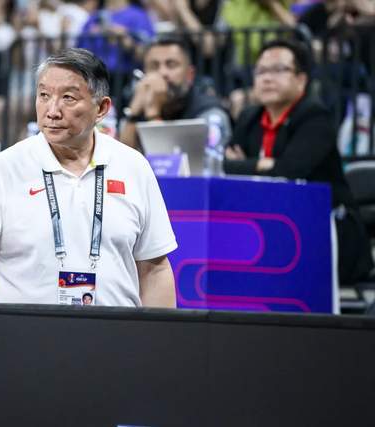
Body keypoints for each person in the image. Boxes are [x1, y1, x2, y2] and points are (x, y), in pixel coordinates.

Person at [0, 48, 177, 307]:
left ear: (101, 108)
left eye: (68, 98)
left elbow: (155, 268)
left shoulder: (133, 167)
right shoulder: (3, 169)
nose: (52, 110)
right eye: (44, 95)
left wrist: (161, 332)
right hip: (23, 331)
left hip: (115, 331)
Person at [224, 38, 374, 285]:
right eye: (261, 71)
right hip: (271, 225)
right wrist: (266, 165)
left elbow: (291, 171)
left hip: (326, 231)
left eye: (279, 70)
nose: (267, 78)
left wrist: (251, 165)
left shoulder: (315, 117)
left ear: (301, 80)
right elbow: (226, 165)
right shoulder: (250, 116)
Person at [120, 35, 231, 151]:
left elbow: (168, 162)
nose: (162, 73)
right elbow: (122, 157)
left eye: (171, 65)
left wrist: (153, 114)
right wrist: (133, 114)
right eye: (154, 66)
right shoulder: (140, 104)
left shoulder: (210, 112)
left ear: (190, 75)